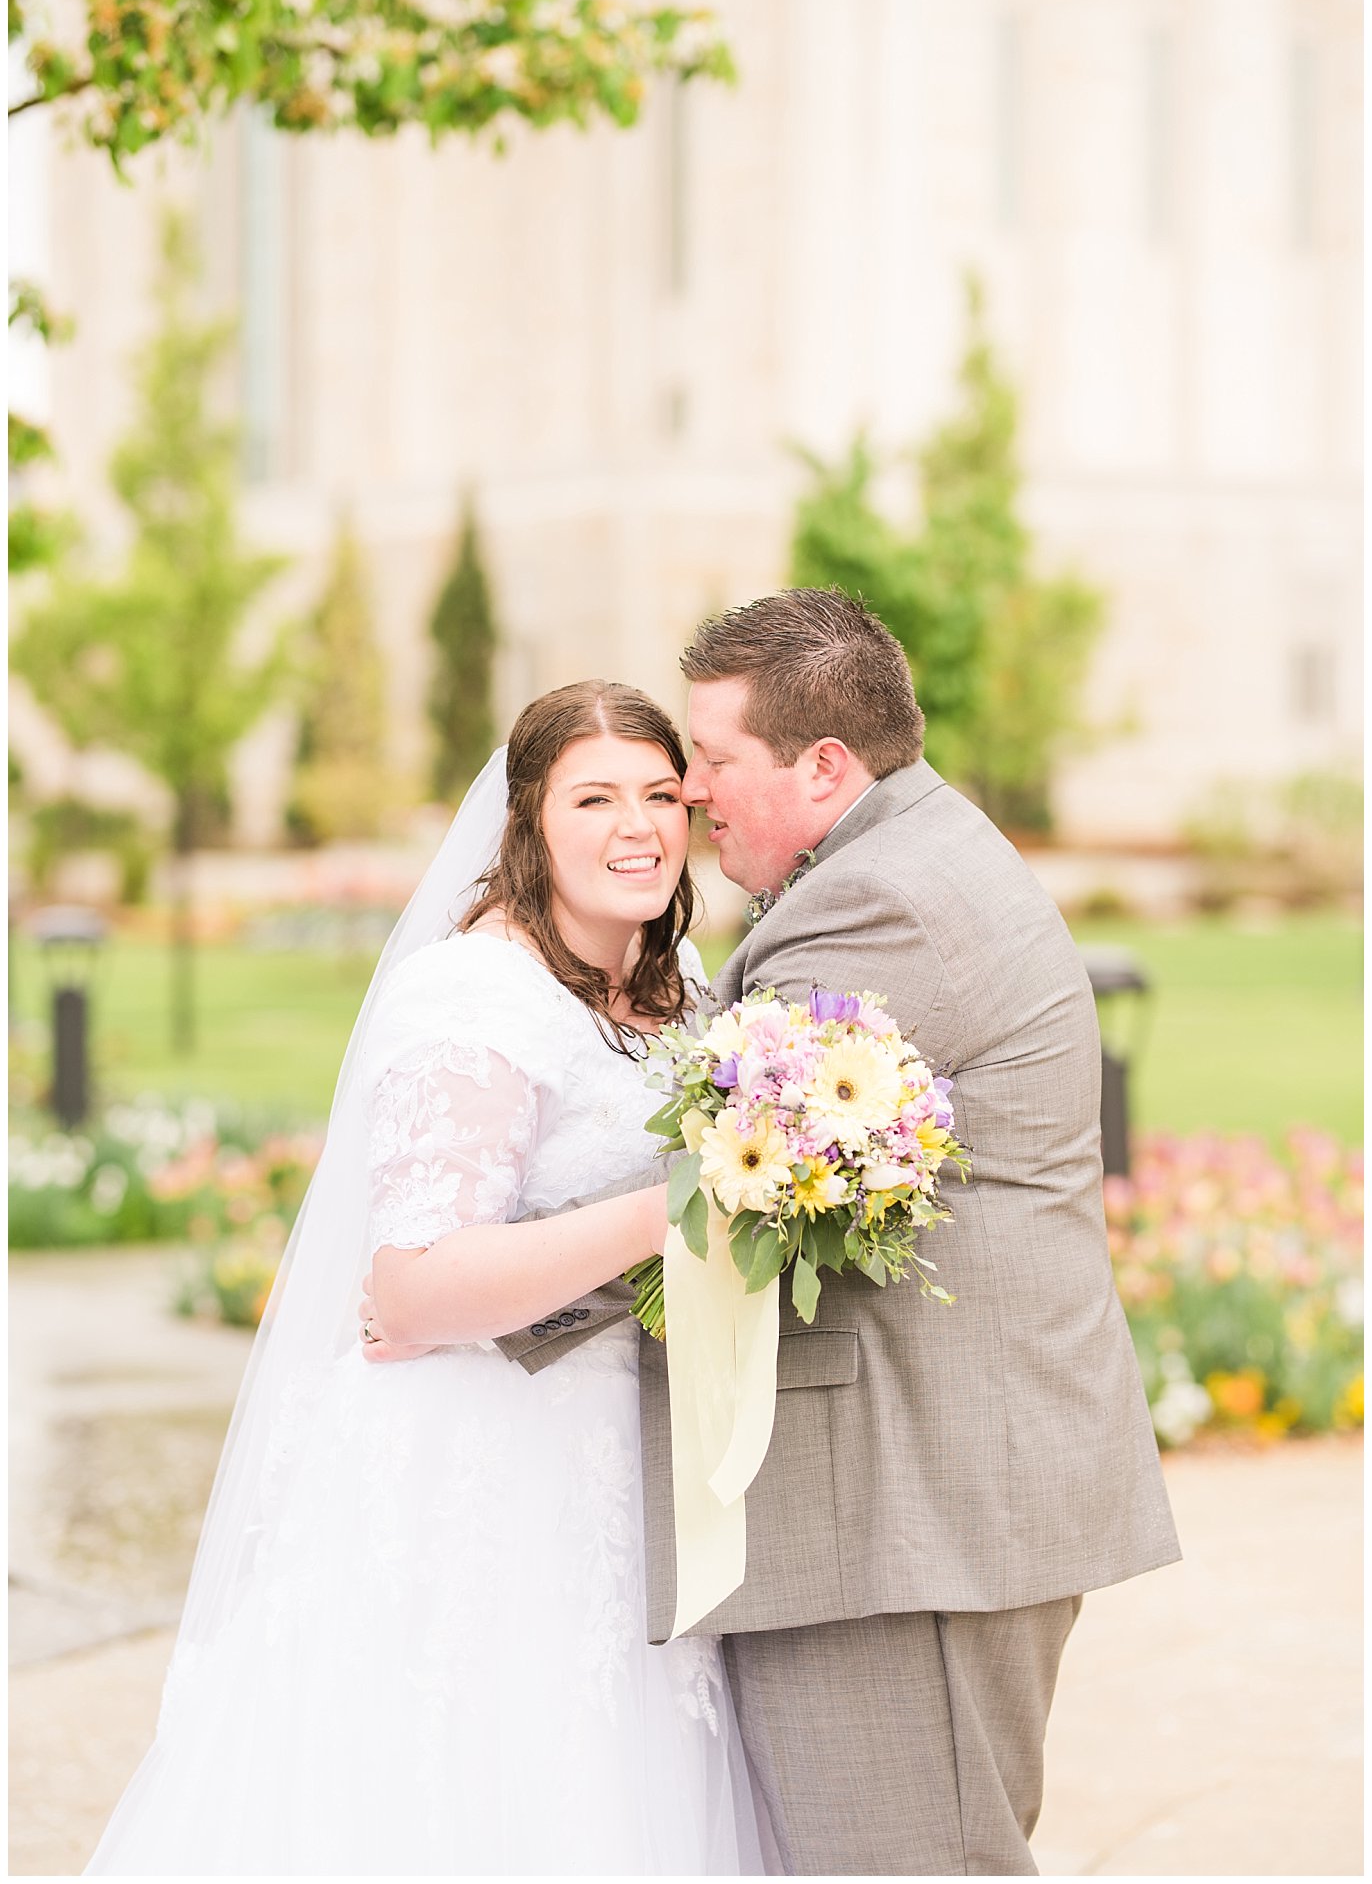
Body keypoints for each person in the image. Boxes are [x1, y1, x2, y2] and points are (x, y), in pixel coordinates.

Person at [364, 589, 1181, 1877]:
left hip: (916, 1506)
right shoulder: (888, 864)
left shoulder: (879, 904)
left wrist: (454, 1298)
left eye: (709, 762)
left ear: (825, 765)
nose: (687, 797)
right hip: (899, 1496)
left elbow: (733, 1180)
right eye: (623, 786)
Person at [86, 681, 766, 1877]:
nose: (637, 826)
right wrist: (672, 1211)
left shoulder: (676, 986)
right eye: (593, 796)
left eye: (661, 793)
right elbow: (409, 1285)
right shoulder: (475, 993)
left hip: (622, 1459)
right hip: (481, 1463)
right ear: (527, 822)